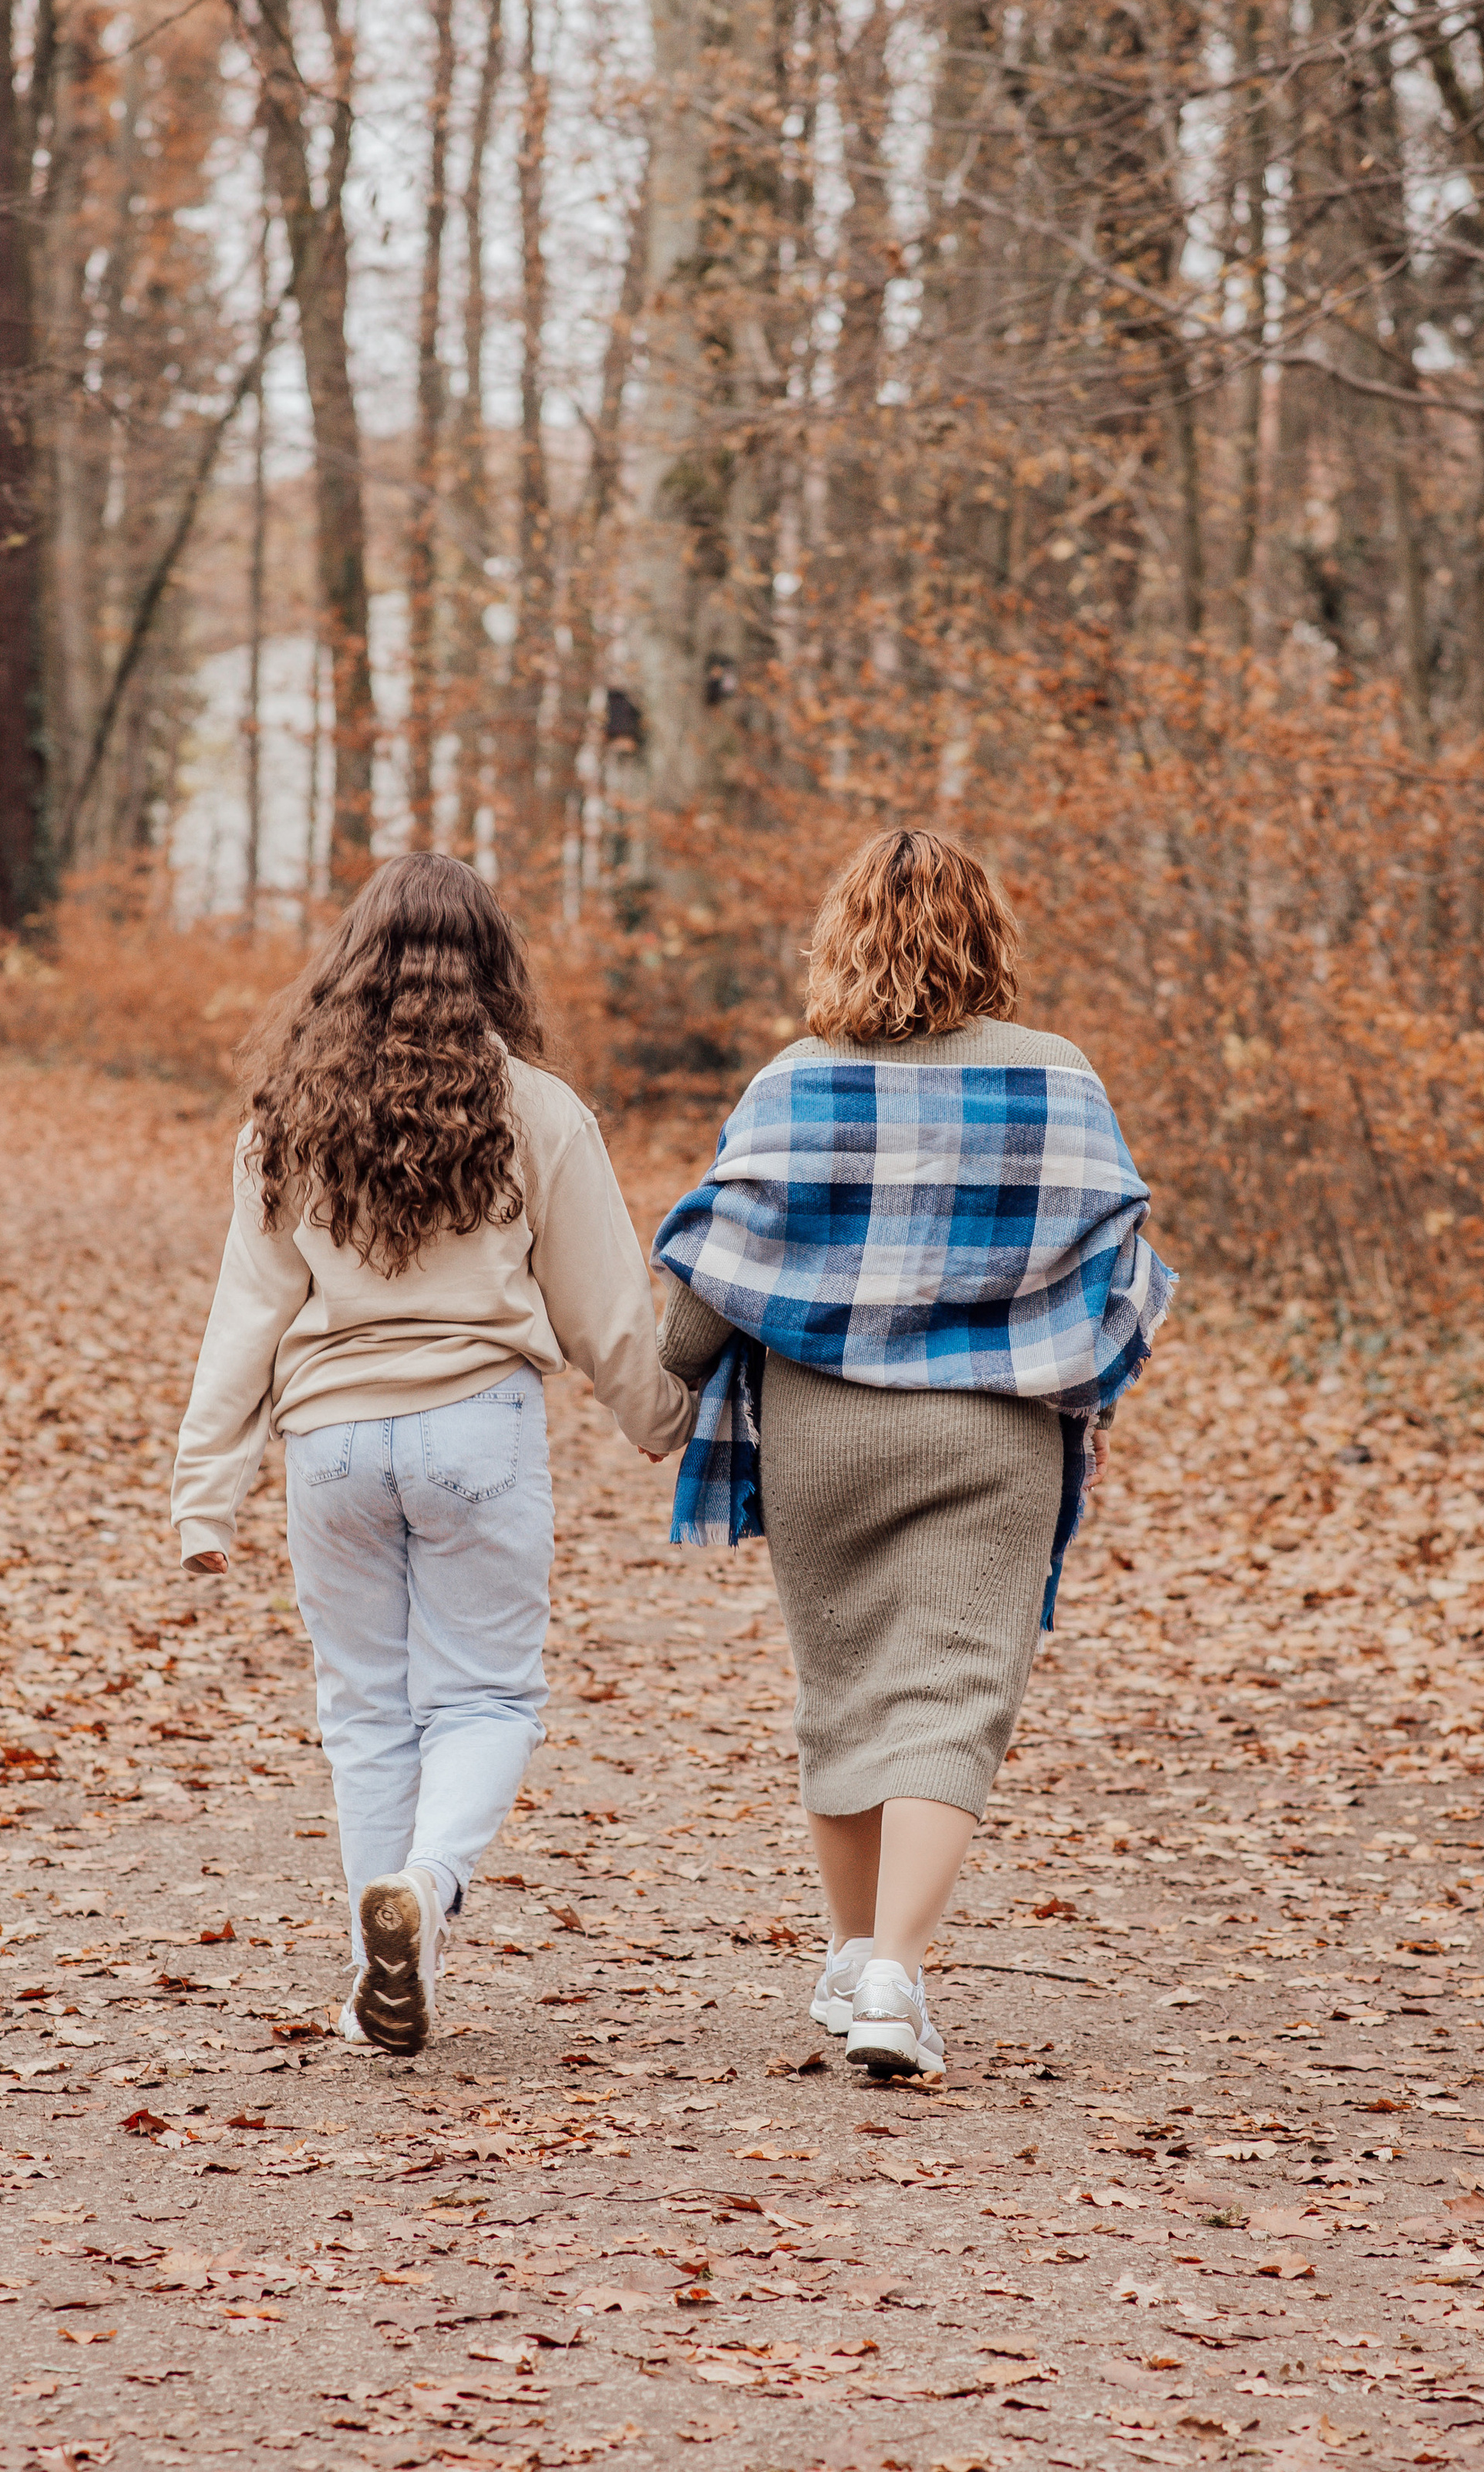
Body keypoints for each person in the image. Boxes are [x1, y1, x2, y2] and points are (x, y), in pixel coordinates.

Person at [653, 828, 1173, 2081]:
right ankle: (895, 1972)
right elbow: (1125, 1278)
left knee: (843, 1687)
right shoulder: (1059, 1080)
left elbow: (703, 1297)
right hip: (993, 1428)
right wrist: (1084, 1389)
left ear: (840, 939)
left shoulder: (794, 1082)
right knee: (951, 1694)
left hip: (824, 1432)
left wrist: (668, 1369)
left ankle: (850, 1958)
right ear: (988, 936)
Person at [172, 852, 693, 2055]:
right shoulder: (540, 1110)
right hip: (476, 1429)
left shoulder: (287, 1117)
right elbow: (608, 1309)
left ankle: (377, 1979)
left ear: (351, 964)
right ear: (491, 967)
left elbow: (246, 1313)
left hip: (330, 1445)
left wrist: (207, 1501)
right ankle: (430, 1885)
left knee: (364, 1713)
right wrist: (664, 1422)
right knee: (488, 1696)